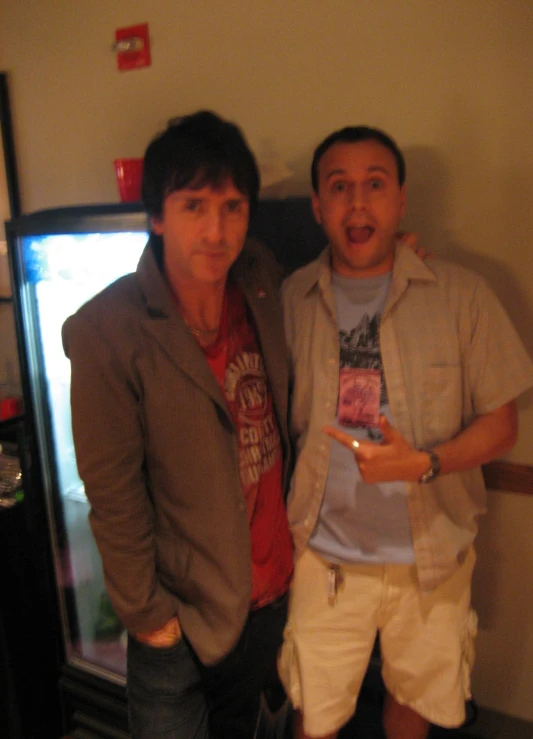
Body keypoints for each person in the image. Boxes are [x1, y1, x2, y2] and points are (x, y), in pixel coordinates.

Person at [277, 125, 533, 739]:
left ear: (400, 200)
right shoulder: (289, 299)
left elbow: (503, 426)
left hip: (432, 556)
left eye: (375, 185)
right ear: (318, 206)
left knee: (412, 705)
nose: (358, 202)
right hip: (324, 557)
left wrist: (423, 462)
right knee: (313, 712)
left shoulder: (461, 296)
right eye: (339, 188)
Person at [62, 111, 294, 739]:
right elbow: (112, 494)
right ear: (158, 215)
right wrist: (149, 619)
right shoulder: (108, 329)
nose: (217, 230)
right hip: (181, 618)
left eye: (233, 206)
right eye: (195, 205)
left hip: (272, 594)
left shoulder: (262, 280)